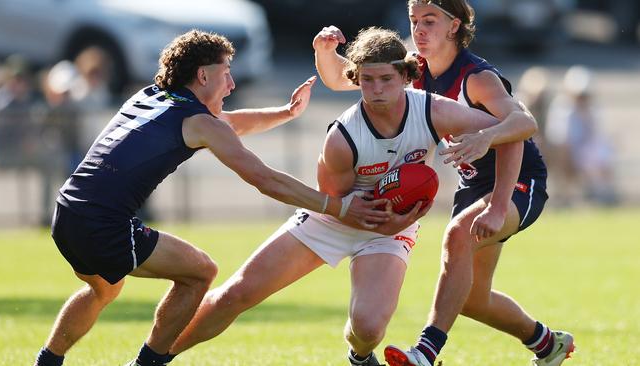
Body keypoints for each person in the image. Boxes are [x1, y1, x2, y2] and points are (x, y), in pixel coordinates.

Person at [163, 27, 535, 366]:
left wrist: (494, 192)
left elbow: (512, 131)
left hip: (390, 227)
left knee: (369, 329)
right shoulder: (343, 138)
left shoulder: (434, 110)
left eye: (387, 79)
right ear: (355, 79)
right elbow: (331, 200)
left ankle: (360, 357)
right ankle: (155, 357)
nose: (376, 90)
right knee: (235, 295)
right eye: (367, 80)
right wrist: (358, 213)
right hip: (334, 215)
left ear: (407, 77)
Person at [32, 30, 387, 366]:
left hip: (67, 211)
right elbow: (264, 179)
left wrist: (285, 113)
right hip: (101, 224)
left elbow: (227, 124)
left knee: (103, 290)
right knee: (200, 272)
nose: (231, 84)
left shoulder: (151, 96)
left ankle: (47, 361)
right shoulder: (199, 122)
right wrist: (337, 206)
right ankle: (147, 363)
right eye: (226, 73)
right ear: (203, 76)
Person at [312, 1, 575, 365]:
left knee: (457, 235)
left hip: (517, 182)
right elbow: (346, 76)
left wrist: (497, 197)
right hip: (473, 186)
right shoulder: (412, 67)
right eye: (414, 20)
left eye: (430, 21)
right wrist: (326, 52)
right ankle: (548, 344)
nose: (419, 29)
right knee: (470, 299)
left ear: (454, 26)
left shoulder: (477, 78)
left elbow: (524, 125)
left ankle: (425, 352)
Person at [545, 65, 617, 206]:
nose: (582, 98)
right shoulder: (563, 109)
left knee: (602, 154)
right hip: (566, 153)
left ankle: (600, 193)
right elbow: (560, 139)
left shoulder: (593, 110)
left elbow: (597, 139)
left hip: (586, 154)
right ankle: (565, 194)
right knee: (563, 153)